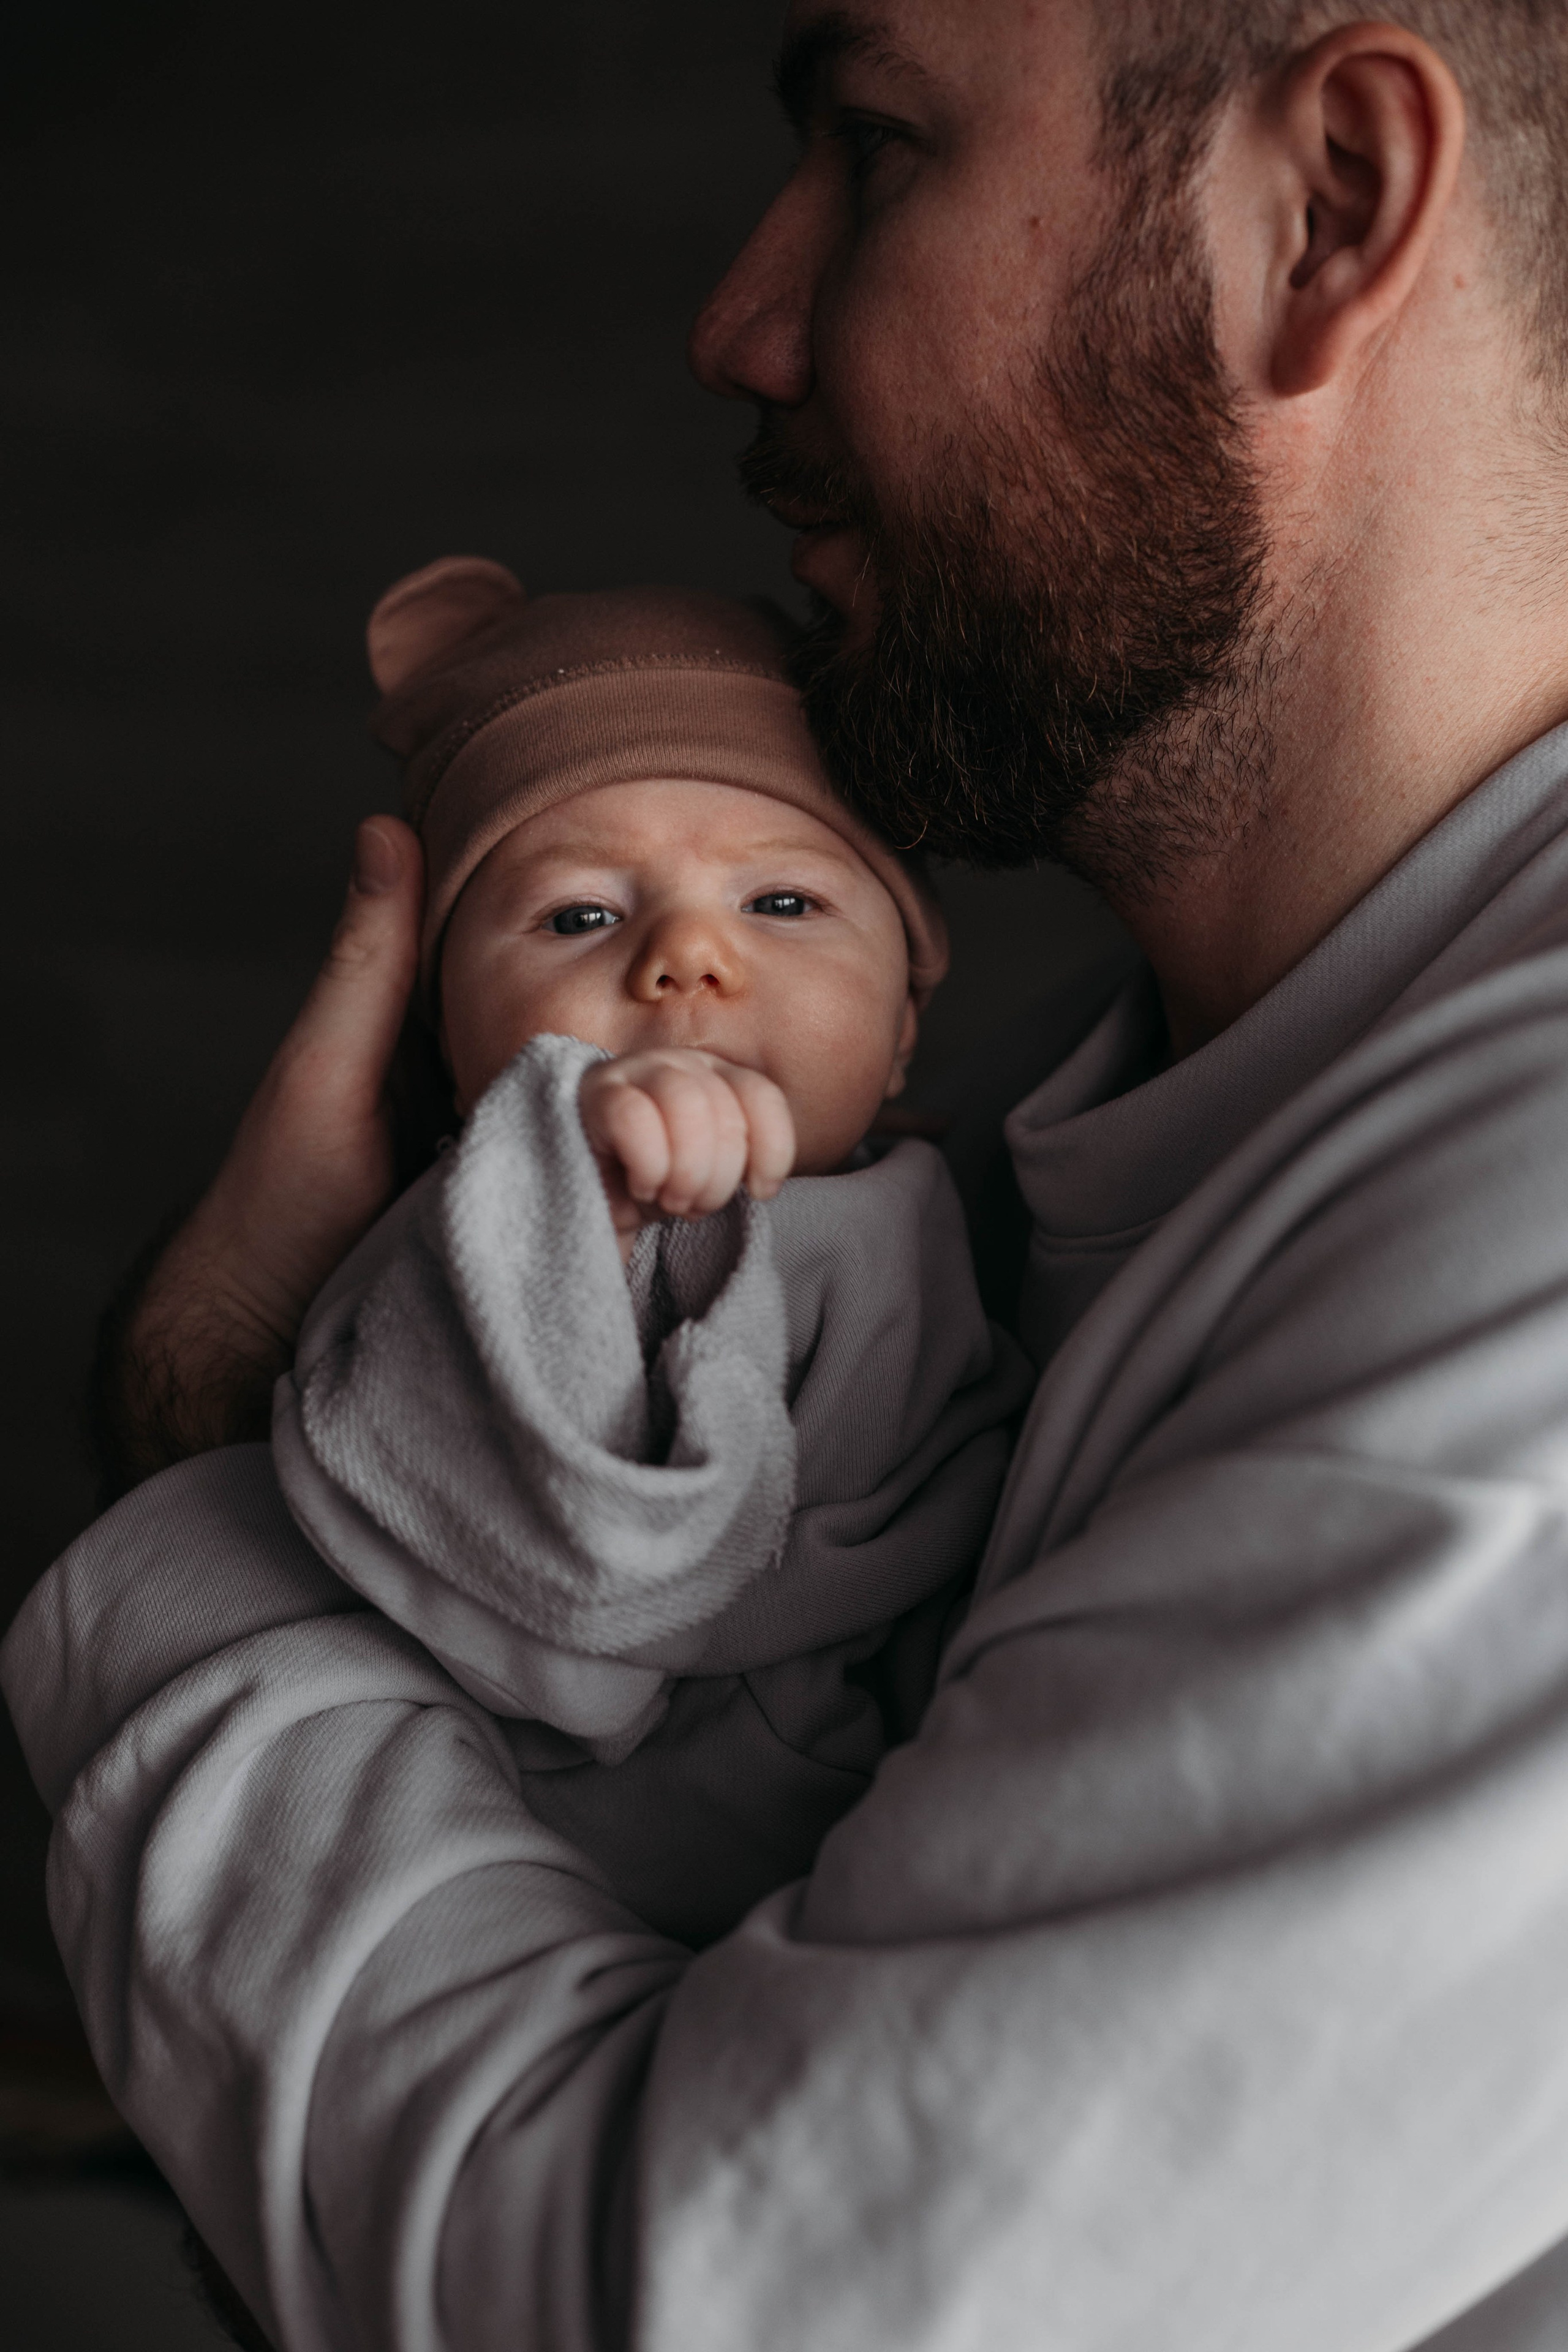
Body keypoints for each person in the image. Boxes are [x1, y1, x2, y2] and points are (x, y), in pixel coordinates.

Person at [10, 2, 1568, 2345]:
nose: (739, 320)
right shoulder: (1078, 1129)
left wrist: (232, 1495)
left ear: (1325, 210)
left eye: (879, 142)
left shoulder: (1525, 1302)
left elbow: (691, 2311)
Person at [272, 553, 1030, 1938]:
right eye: (581, 918)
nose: (686, 959)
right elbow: (547, 1556)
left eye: (782, 905)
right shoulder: (468, 1236)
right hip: (556, 1882)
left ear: (905, 1019)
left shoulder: (962, 1194)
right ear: (446, 1050)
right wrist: (584, 1209)